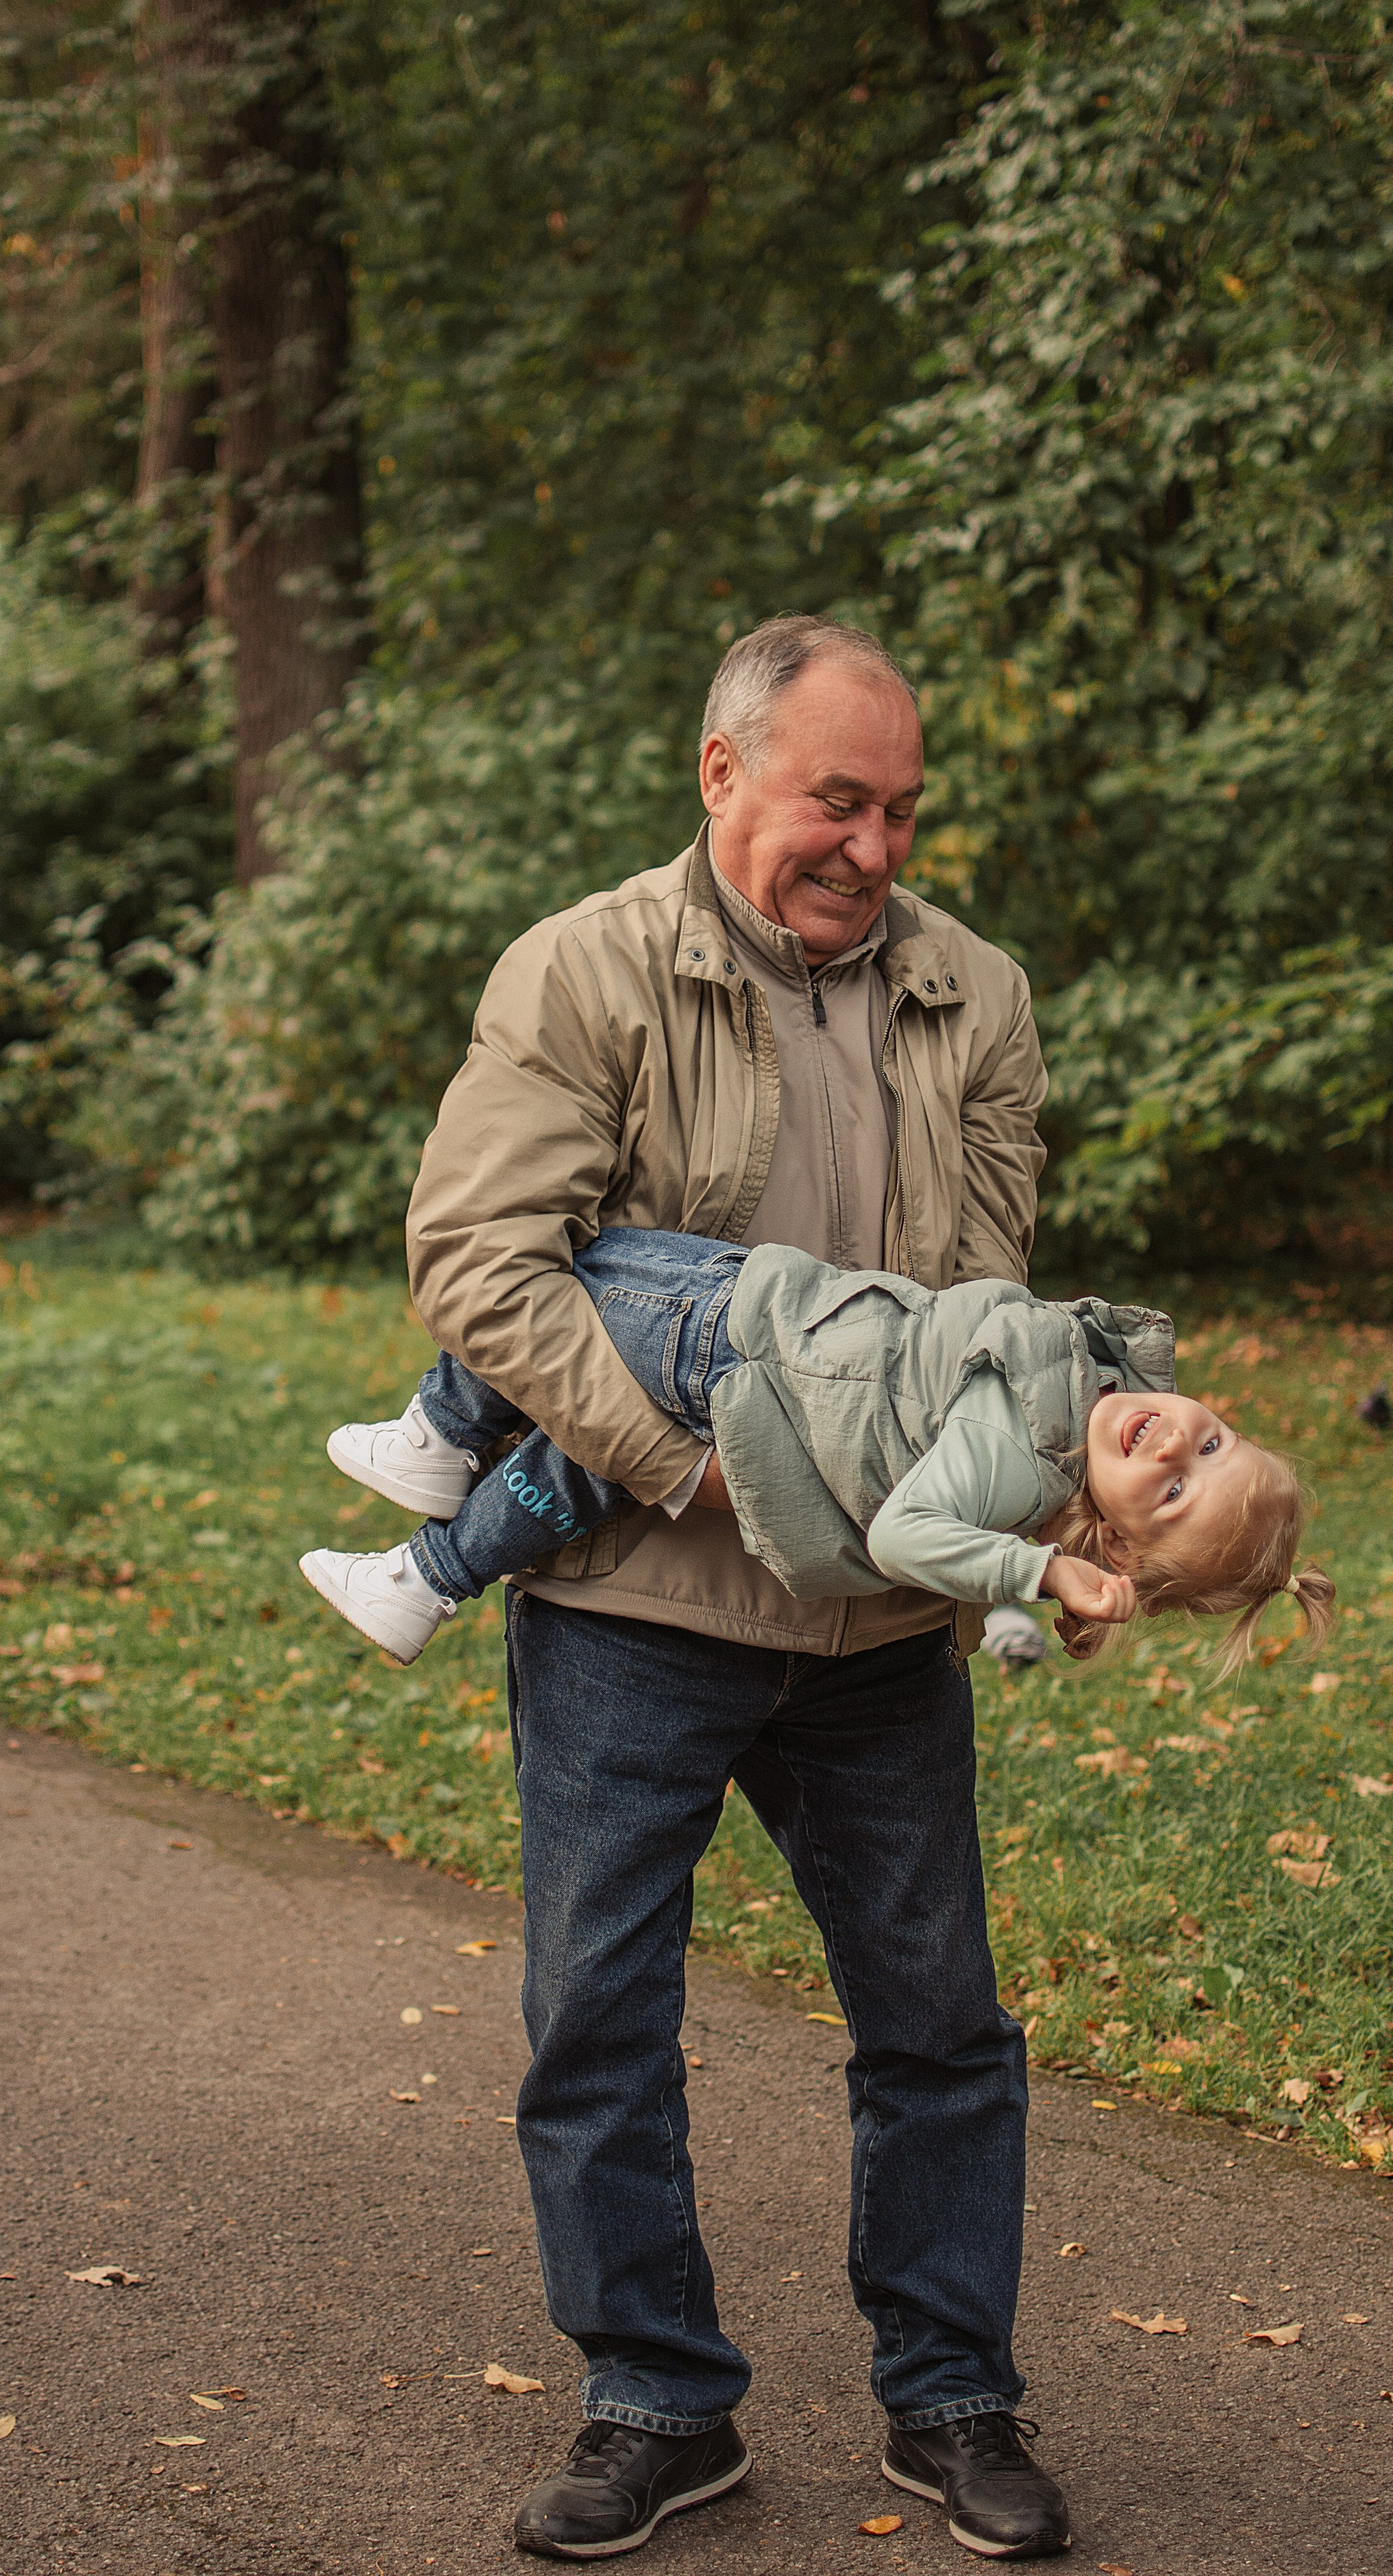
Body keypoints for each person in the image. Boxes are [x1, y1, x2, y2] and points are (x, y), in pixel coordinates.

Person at [390, 616, 1068, 2564]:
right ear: (722, 774)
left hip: (875, 1622)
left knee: (939, 2023)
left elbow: (987, 1316)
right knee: (597, 2023)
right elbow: (481, 1265)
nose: (871, 846)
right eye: (834, 800)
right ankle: (656, 2406)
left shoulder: (977, 996)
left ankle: (952, 2397)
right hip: (635, 1601)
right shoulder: (589, 972)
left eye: (901, 810)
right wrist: (688, 1471)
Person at [301, 1230, 1336, 1671]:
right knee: (588, 1457)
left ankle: (442, 1430)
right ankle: (426, 1577)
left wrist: (1047, 1571)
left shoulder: (1026, 1456)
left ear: (1110, 1539)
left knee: (557, 1270)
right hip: (772, 1384)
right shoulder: (1086, 1409)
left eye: (1172, 1493)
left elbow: (904, 1533)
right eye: (1212, 1441)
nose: (1175, 1447)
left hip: (748, 1332)